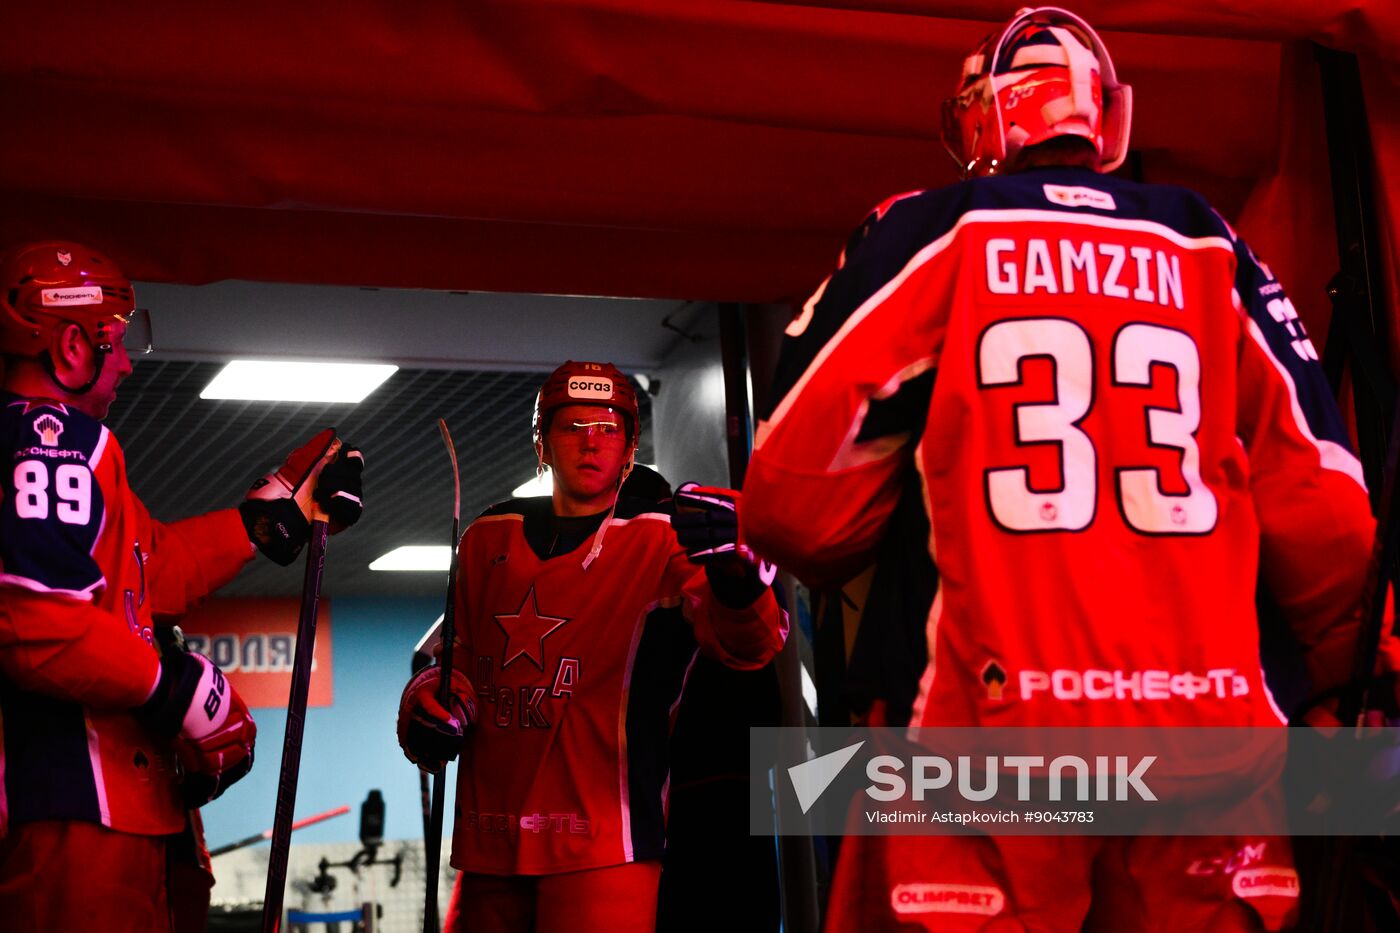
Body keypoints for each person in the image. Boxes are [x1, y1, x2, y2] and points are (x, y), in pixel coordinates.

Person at [740, 7, 1397, 931]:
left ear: (980, 117)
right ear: (1109, 116)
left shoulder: (927, 232)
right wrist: (1355, 689)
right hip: (1209, 747)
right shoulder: (1211, 246)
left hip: (980, 745)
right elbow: (1325, 510)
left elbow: (791, 509)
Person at [0, 240, 365, 932]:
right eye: (116, 338)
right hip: (74, 811)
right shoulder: (57, 440)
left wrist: (266, 520)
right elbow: (34, 617)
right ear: (72, 346)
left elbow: (151, 567)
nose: (128, 360)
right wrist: (176, 692)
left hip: (105, 812)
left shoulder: (62, 452)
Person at [397, 359, 787, 933]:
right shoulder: (486, 537)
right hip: (490, 843)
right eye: (572, 427)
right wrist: (430, 704)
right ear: (542, 443)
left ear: (631, 446)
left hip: (603, 844)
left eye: (608, 429)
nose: (590, 444)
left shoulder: (663, 535)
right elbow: (458, 664)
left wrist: (739, 577)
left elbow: (747, 645)